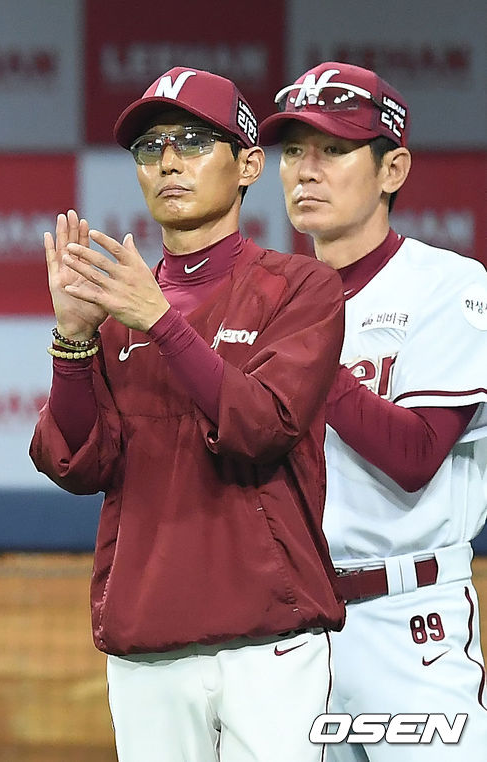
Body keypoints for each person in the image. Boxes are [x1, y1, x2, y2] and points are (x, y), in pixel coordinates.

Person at [30, 66, 346, 762]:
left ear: (249, 165)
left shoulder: (304, 288)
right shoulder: (118, 309)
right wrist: (74, 340)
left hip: (269, 642)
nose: (168, 161)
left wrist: (162, 323)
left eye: (194, 141)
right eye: (151, 147)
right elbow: (79, 464)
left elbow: (262, 427)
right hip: (149, 643)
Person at [260, 60, 487, 760]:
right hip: (291, 628)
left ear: (393, 170)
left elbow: (414, 456)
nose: (306, 170)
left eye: (334, 149)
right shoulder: (265, 300)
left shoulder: (447, 285)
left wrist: (302, 351)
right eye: (294, 150)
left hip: (408, 622)